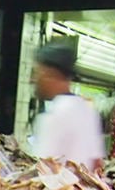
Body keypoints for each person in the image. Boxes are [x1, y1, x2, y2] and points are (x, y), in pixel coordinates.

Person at [31, 40, 105, 168]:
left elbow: (42, 170)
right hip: (84, 187)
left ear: (50, 74)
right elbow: (97, 163)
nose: (33, 80)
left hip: (58, 188)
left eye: (37, 73)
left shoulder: (53, 116)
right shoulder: (87, 110)